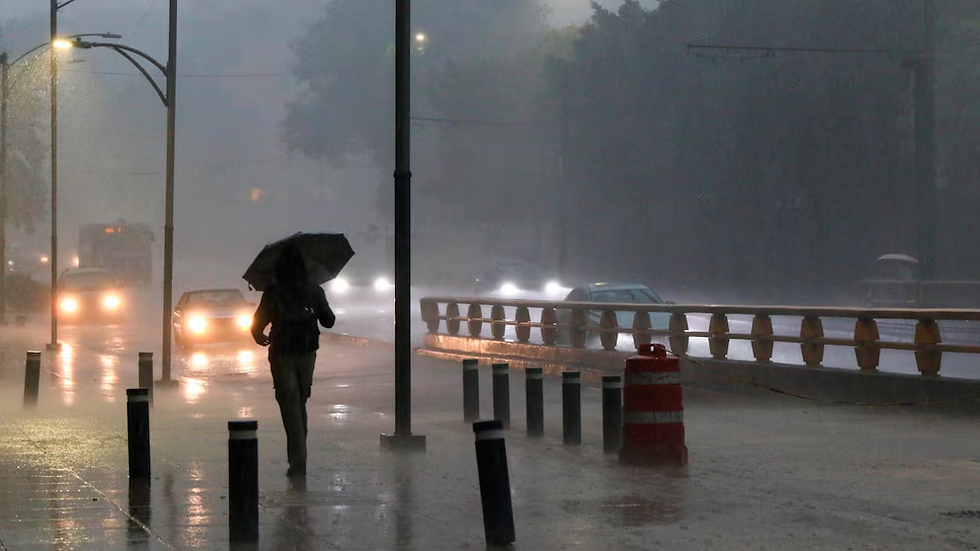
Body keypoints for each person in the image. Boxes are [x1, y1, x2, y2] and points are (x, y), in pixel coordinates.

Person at [251, 244, 336, 477]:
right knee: (300, 402)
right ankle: (299, 456)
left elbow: (257, 325)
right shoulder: (314, 291)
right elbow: (329, 321)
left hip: (282, 353)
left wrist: (261, 337)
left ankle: (298, 461)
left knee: (289, 405)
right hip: (307, 352)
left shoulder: (273, 292)